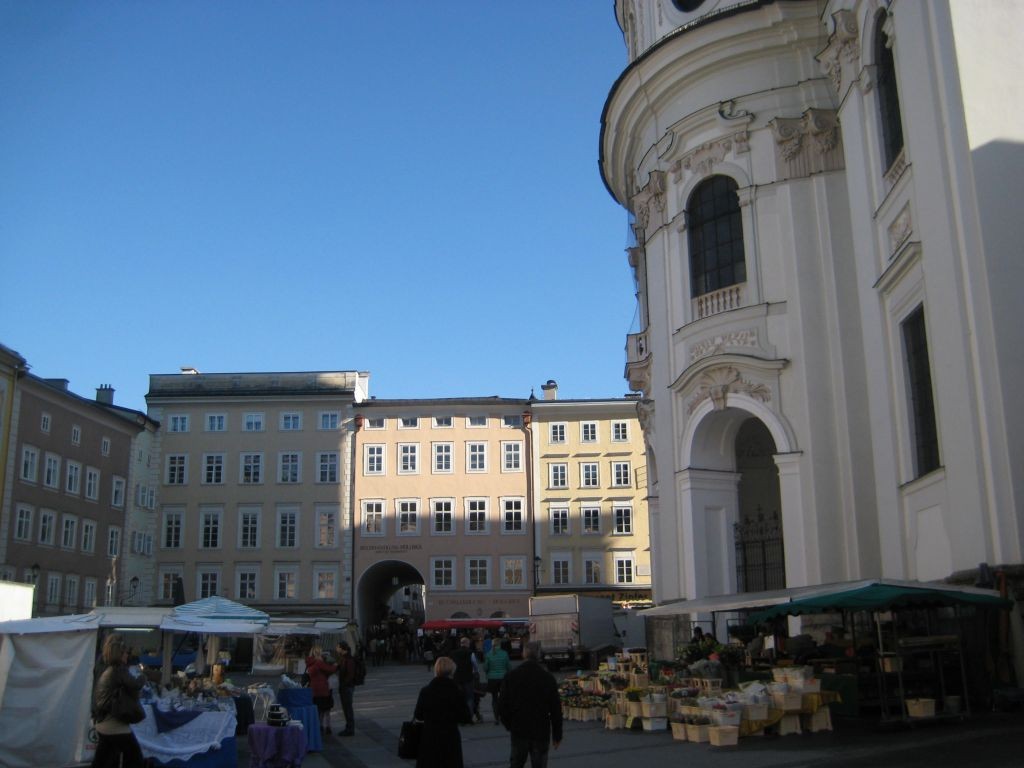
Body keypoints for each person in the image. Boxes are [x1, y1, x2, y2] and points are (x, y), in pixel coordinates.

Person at [499, 641, 562, 768]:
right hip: (540, 730)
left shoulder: (511, 676)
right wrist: (557, 735)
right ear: (539, 655)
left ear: (523, 654)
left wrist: (509, 724)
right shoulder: (548, 678)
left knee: (516, 763)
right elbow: (556, 709)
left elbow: (502, 705)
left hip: (519, 729)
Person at [91, 633, 145, 768]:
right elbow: (135, 684)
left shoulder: (102, 665)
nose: (127, 655)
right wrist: (144, 676)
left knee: (103, 760)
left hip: (102, 720)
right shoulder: (119, 670)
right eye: (125, 653)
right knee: (135, 758)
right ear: (119, 653)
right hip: (114, 724)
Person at [413, 656, 471, 768]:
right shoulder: (456, 691)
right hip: (450, 736)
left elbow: (418, 715)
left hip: (430, 736)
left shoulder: (426, 691)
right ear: (452, 672)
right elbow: (465, 717)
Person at [305, 646, 337, 735]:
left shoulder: (310, 662)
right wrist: (335, 665)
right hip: (322, 688)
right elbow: (331, 669)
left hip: (313, 688)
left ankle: (318, 726)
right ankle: (324, 726)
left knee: (317, 709)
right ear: (318, 653)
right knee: (325, 709)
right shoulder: (318, 662)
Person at [451, 636, 479, 722]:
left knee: (458, 697)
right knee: (469, 697)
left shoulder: (454, 653)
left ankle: (459, 717)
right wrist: (476, 672)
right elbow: (475, 664)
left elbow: (452, 665)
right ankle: (469, 717)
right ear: (467, 644)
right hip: (468, 677)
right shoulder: (471, 653)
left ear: (460, 643)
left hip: (457, 678)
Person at [484, 638, 511, 725]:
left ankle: (496, 718)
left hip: (492, 679)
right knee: (504, 698)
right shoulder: (504, 654)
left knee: (494, 699)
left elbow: (485, 668)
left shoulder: (488, 654)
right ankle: (504, 715)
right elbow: (509, 667)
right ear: (500, 644)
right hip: (503, 678)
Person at [334, 641, 356, 736]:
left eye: (337, 647)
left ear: (342, 648)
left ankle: (350, 728)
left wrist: (344, 683)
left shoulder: (348, 659)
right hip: (345, 686)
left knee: (348, 708)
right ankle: (349, 727)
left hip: (347, 687)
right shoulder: (344, 658)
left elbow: (350, 674)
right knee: (346, 708)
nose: (336, 648)